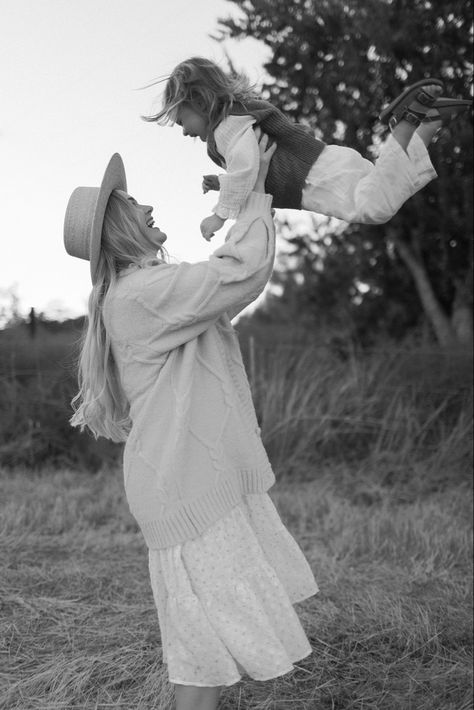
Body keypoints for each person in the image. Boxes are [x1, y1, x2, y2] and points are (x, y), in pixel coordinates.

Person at [63, 134, 319, 710]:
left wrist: (252, 197)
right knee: (198, 649)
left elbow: (228, 291)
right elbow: (241, 273)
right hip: (185, 484)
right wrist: (253, 195)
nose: (147, 207)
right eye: (132, 205)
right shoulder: (141, 294)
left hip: (188, 480)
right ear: (116, 229)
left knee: (201, 644)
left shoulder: (145, 292)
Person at [143, 56, 471, 241]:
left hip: (314, 180)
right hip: (327, 162)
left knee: (375, 207)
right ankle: (426, 124)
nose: (183, 131)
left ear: (199, 102)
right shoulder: (238, 118)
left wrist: (218, 215)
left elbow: (245, 169)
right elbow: (250, 164)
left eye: (181, 120)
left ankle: (405, 123)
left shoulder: (224, 127)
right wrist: (222, 181)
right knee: (389, 183)